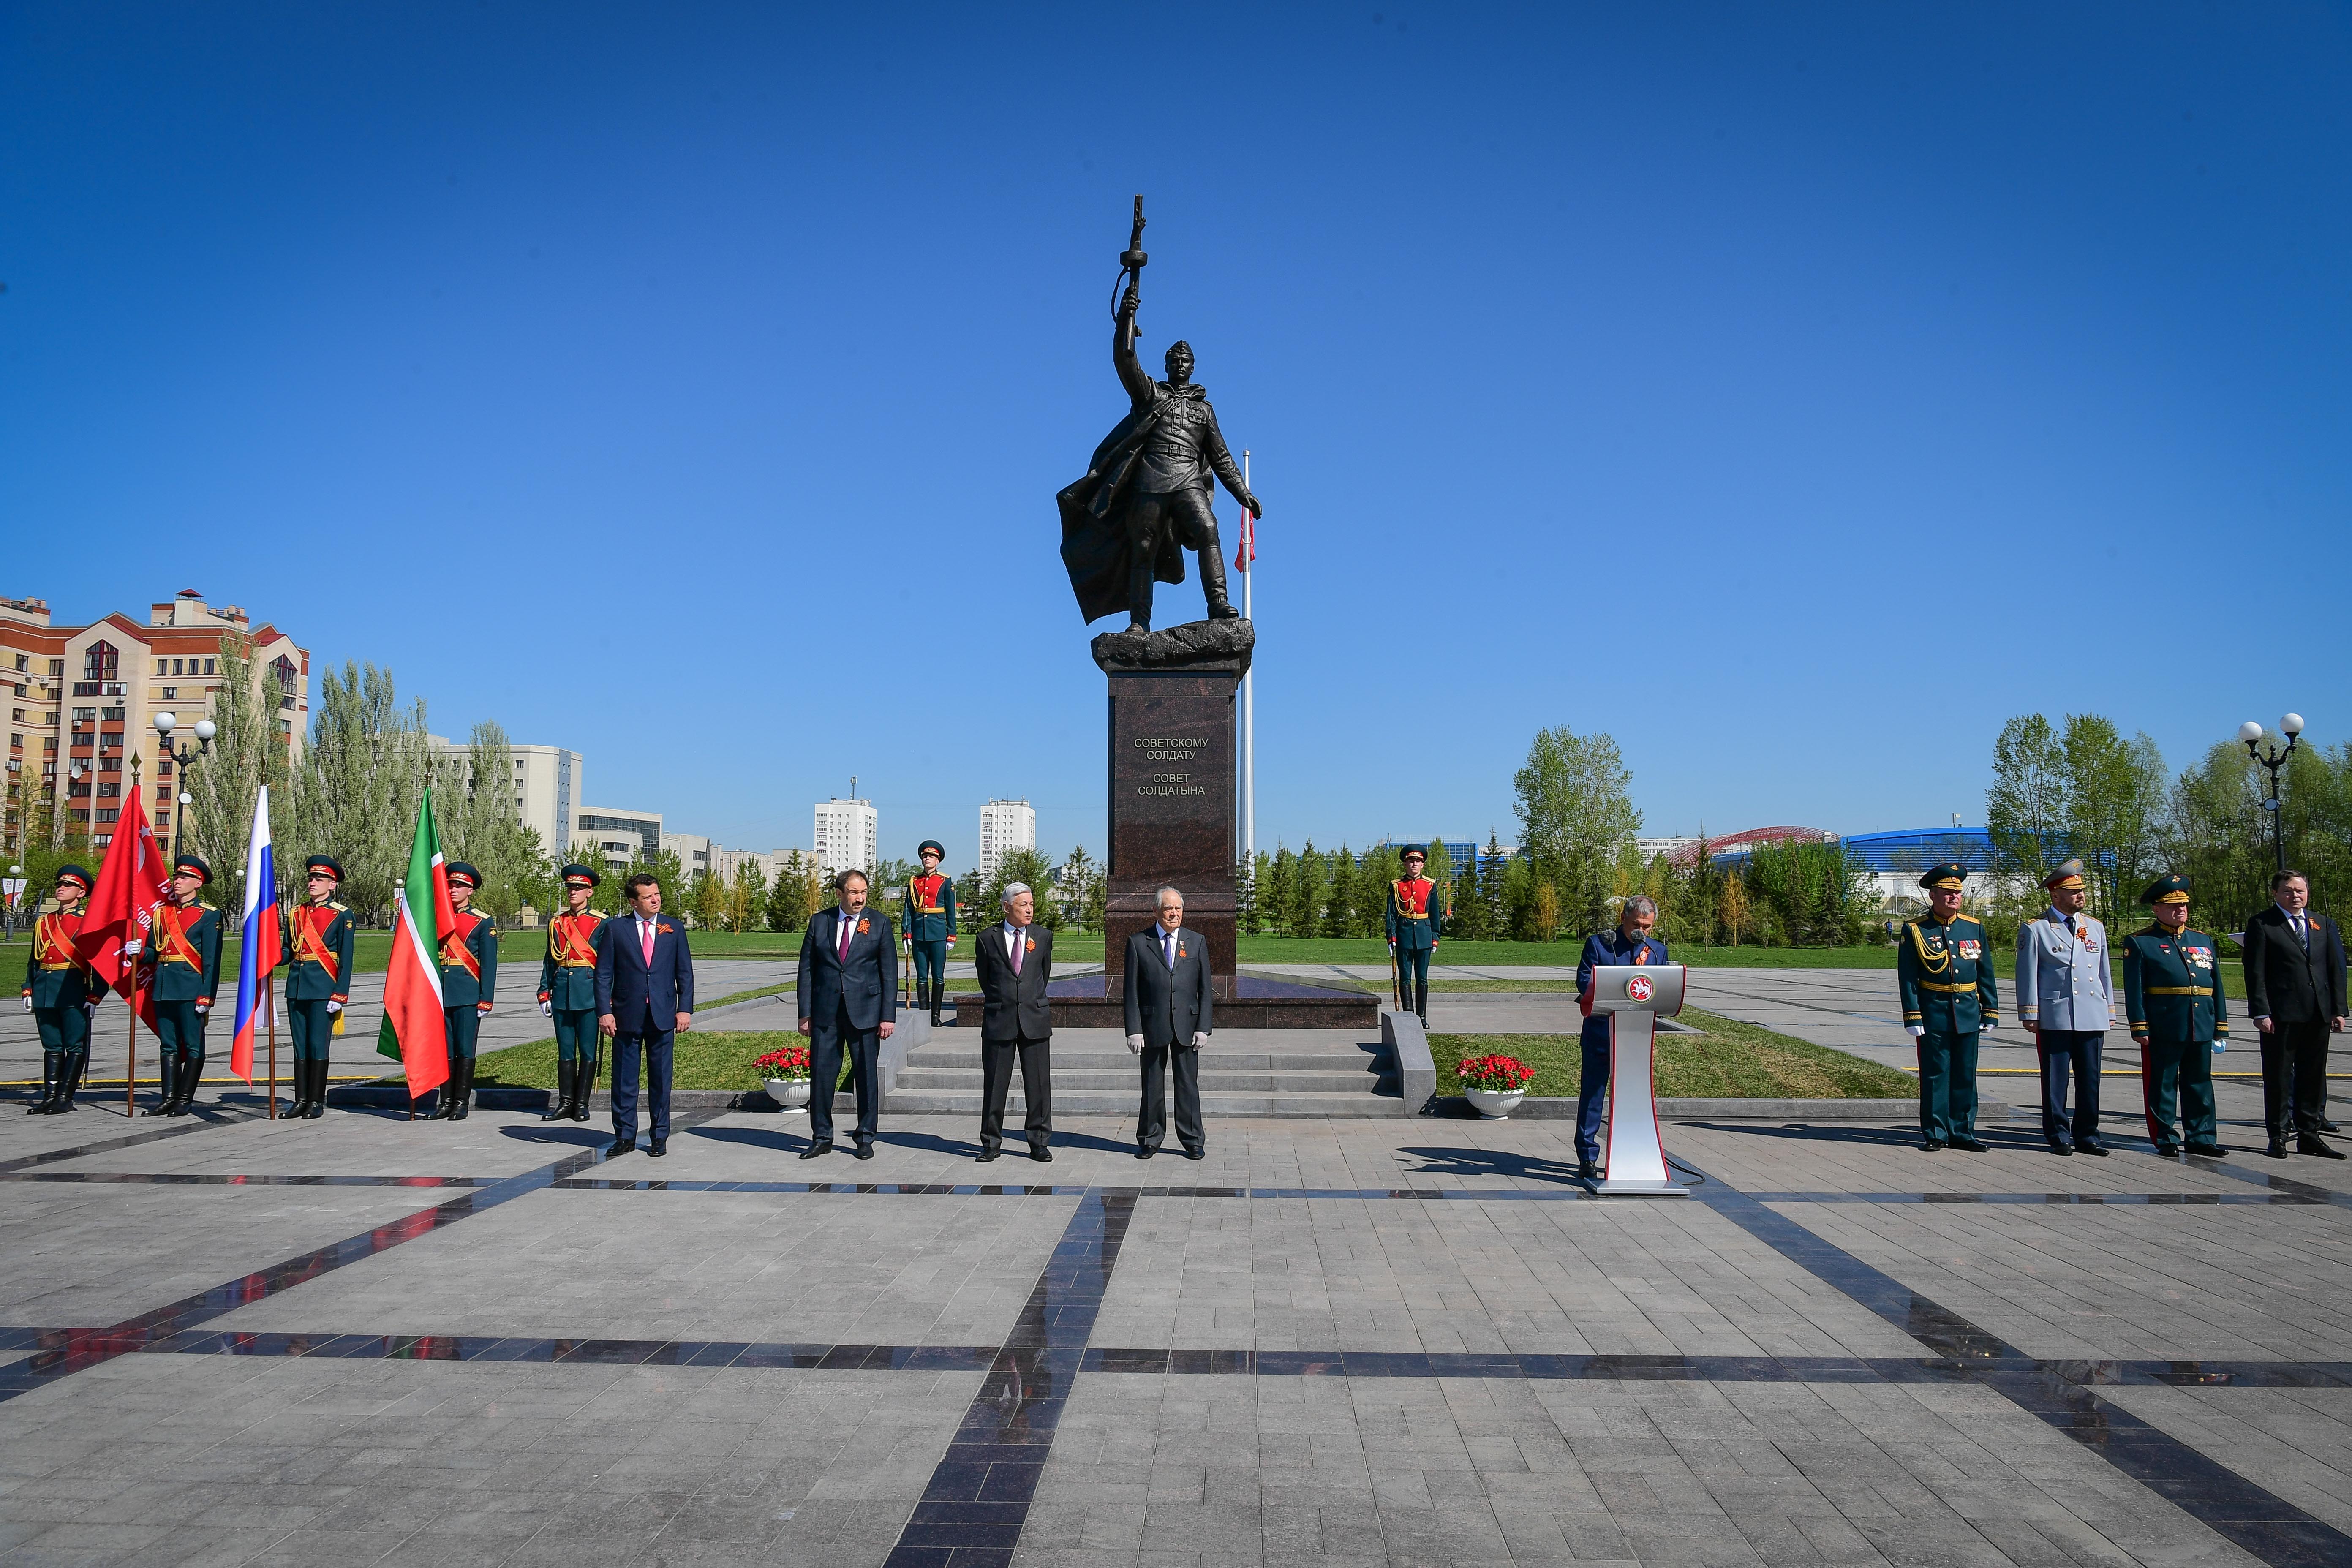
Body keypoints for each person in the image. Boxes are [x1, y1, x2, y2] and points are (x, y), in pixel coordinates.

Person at [1058, 278, 1266, 633]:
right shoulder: (1151, 396)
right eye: (1175, 359)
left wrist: (1243, 494)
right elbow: (1125, 361)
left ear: (1193, 366)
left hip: (1187, 479)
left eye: (1186, 360)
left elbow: (1222, 458)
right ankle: (1139, 623)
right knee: (1143, 549)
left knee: (1208, 529)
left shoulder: (1205, 412)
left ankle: (1218, 604)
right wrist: (1126, 318)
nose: (1181, 363)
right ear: (1168, 364)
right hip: (1151, 481)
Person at [2242, 869, 2347, 1160]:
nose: (2295, 896)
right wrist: (2261, 1011)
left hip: (2318, 1013)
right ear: (2275, 894)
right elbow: (2256, 972)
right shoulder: (2263, 924)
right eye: (2288, 891)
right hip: (2281, 1015)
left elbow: (2335, 969)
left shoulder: (2321, 923)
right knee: (2278, 1076)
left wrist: (2338, 1009)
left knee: (2313, 1076)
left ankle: (2310, 1135)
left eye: (2300, 891)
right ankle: (2278, 1135)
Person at [2122, 873, 2227, 1158]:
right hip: (2165, 1024)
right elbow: (2135, 990)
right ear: (2157, 909)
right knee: (2164, 1083)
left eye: (2184, 906)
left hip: (2200, 1024)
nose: (2180, 910)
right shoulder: (2141, 943)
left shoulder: (2202, 940)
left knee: (2199, 1083)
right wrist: (2139, 1026)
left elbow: (2215, 986)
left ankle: (2202, 1136)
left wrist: (2221, 1026)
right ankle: (2165, 1136)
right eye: (2173, 906)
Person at [2014, 860, 2115, 1156]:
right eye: (2073, 892)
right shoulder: (2037, 929)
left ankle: (2088, 1134)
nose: (2080, 896)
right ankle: (2059, 1133)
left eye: (2081, 891)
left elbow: (2104, 972)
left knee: (2090, 1078)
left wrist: (2109, 1010)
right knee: (2055, 1079)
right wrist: (2030, 1012)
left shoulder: (2094, 928)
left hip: (2091, 1013)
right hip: (2056, 1014)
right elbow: (2028, 973)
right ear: (2055, 895)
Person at [795, 869, 898, 1159]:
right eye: (854, 892)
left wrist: (887, 1015)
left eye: (863, 892)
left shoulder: (878, 923)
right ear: (840, 893)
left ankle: (865, 1137)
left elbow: (889, 973)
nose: (860, 898)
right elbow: (807, 970)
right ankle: (822, 1136)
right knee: (822, 1076)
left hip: (866, 1013)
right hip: (826, 1014)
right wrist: (805, 1013)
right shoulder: (820, 922)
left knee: (866, 1077)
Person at [1896, 863, 1998, 1154]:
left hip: (1967, 1009)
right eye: (1947, 893)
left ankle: (1963, 1131)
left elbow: (1985, 972)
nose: (1954, 898)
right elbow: (1908, 976)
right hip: (1934, 1009)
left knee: (1966, 1073)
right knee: (1936, 1073)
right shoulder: (1916, 929)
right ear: (1933, 895)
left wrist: (1990, 1009)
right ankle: (1936, 1132)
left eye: (1958, 893)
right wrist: (1912, 1014)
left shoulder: (1973, 926)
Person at [595, 872, 694, 1158]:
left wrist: (684, 1009)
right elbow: (603, 975)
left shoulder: (672, 928)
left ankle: (659, 1136)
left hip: (663, 1015)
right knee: (625, 1079)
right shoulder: (616, 929)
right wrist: (605, 1012)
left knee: (661, 1079)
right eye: (648, 896)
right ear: (633, 902)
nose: (656, 899)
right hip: (627, 1015)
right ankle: (625, 1135)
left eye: (657, 894)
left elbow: (684, 973)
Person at [1572, 895, 1668, 1180]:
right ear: (1623, 918)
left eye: (1648, 926)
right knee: (1592, 1097)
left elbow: (1662, 987)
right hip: (1601, 1034)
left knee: (1634, 1099)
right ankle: (1587, 1157)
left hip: (1636, 1039)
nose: (1643, 931)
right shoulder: (1600, 945)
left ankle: (1632, 1153)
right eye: (1637, 924)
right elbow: (1584, 981)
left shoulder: (1657, 951)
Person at [1123, 885, 1213, 1159]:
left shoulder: (1196, 941)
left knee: (1188, 1085)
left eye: (1178, 908)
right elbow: (1131, 991)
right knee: (1152, 1085)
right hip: (1152, 1027)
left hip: (1187, 1026)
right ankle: (1150, 1138)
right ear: (1156, 911)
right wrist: (1135, 1030)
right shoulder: (1139, 943)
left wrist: (1203, 1027)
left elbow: (1206, 989)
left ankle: (1193, 1140)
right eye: (1168, 909)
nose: (1174, 914)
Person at [971, 881, 1053, 1162]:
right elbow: (986, 979)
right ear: (1007, 907)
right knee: (995, 1085)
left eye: (1031, 904)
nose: (1029, 910)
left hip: (1035, 1018)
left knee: (1039, 1084)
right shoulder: (987, 938)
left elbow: (1044, 973)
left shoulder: (1042, 936)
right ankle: (991, 1143)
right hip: (999, 1018)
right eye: (1023, 905)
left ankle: (1039, 1141)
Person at [144, 853, 223, 1117]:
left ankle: (184, 1098)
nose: (178, 881)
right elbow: (153, 953)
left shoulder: (209, 915)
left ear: (198, 883)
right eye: (177, 876)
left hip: (191, 989)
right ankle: (168, 1098)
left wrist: (206, 996)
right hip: (164, 987)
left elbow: (212, 961)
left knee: (193, 1045)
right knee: (168, 1045)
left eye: (185, 877)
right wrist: (136, 951)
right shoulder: (162, 913)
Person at [279, 855, 355, 1120]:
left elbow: (346, 959)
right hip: (297, 987)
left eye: (319, 879)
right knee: (299, 1046)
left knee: (317, 1045)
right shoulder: (296, 913)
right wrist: (270, 956)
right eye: (311, 878)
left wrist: (340, 993)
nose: (313, 883)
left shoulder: (342, 915)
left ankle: (316, 1102)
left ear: (332, 885)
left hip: (324, 988)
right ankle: (300, 1100)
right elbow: (289, 950)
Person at [21, 865, 98, 1115]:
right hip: (44, 989)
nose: (61, 888)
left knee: (74, 1045)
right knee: (52, 1046)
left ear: (81, 893)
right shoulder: (44, 922)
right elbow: (35, 959)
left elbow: (99, 960)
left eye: (68, 886)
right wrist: (28, 988)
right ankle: (50, 1096)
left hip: (72, 988)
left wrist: (97, 994)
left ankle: (65, 1097)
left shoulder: (87, 922)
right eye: (60, 885)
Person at [537, 863, 608, 1122]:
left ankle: (582, 1103)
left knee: (588, 1051)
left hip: (589, 993)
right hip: (562, 992)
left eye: (578, 888)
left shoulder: (601, 924)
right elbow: (550, 960)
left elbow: (608, 965)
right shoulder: (558, 923)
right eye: (570, 888)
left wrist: (607, 999)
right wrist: (544, 991)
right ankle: (565, 1102)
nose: (573, 893)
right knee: (565, 1051)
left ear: (590, 892)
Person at [431, 863, 497, 1122]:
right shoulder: (435, 918)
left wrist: (486, 998)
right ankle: (445, 1101)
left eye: (460, 885)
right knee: (443, 1050)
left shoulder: (481, 922)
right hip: (440, 992)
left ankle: (461, 1102)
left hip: (468, 993)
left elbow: (489, 964)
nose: (454, 889)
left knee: (464, 1049)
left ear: (471, 890)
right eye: (450, 884)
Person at [1384, 846, 1446, 1024]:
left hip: (1424, 935)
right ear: (1405, 863)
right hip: (1404, 935)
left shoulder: (1430, 885)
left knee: (1422, 977)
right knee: (1404, 978)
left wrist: (1435, 937)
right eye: (1411, 861)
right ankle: (1408, 1016)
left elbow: (1435, 914)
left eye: (1417, 861)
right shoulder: (1397, 885)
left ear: (1423, 865)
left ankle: (1422, 1017)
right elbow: (1391, 914)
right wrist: (1391, 937)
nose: (1414, 864)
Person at [900, 840, 959, 1026]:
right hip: (919, 934)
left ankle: (936, 1016)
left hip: (939, 933)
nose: (928, 859)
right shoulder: (914, 881)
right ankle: (925, 1015)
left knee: (939, 976)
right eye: (925, 856)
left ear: (938, 860)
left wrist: (952, 935)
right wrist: (906, 933)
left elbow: (951, 910)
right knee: (922, 976)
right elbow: (909, 909)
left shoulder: (944, 881)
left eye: (932, 857)